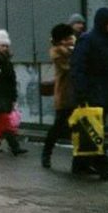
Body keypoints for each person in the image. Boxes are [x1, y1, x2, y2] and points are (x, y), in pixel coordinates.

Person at [69, 7, 108, 179]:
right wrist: (82, 91)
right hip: (91, 91)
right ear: (102, 22)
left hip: (104, 91)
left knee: (90, 128)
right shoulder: (87, 40)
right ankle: (103, 166)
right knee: (95, 130)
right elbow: (78, 67)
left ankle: (79, 165)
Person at [41, 24, 77, 169]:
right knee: (57, 127)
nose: (72, 40)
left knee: (78, 129)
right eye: (68, 38)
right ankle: (46, 154)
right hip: (64, 95)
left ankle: (80, 161)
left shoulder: (74, 50)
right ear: (61, 40)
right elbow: (70, 68)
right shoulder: (57, 53)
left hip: (77, 95)